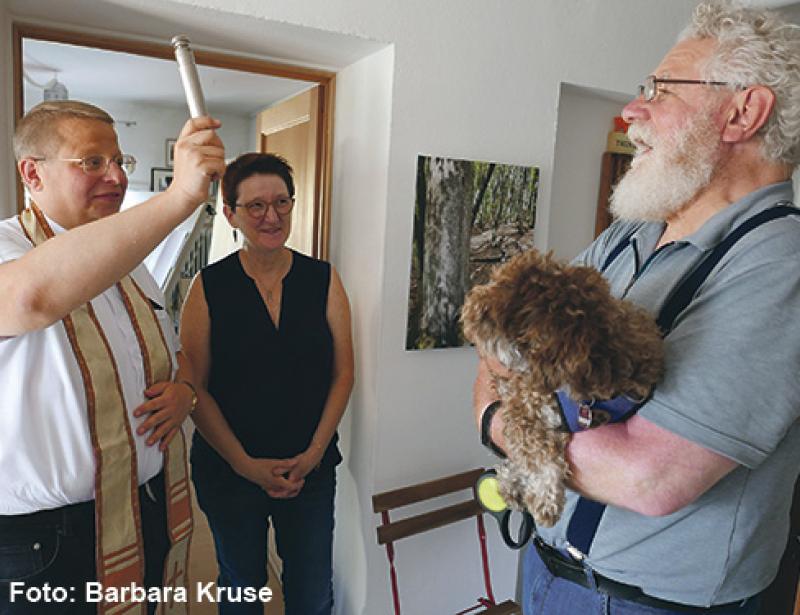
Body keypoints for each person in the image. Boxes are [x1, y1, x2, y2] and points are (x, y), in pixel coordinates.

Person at [473, 1, 800, 614]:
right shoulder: (628, 235)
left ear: (743, 112)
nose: (632, 109)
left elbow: (645, 478)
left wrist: (501, 424)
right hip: (545, 573)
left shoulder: (782, 263)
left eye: (661, 89)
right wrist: (509, 407)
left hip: (649, 606)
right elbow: (500, 345)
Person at [0, 100, 225, 615]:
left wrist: (185, 393)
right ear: (32, 172)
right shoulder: (8, 246)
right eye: (92, 162)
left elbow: (174, 354)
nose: (115, 177)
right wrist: (180, 197)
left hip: (141, 504)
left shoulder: (130, 265)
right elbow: (31, 298)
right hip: (48, 538)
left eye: (119, 162)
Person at [180, 152, 354, 615]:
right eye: (255, 206)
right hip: (229, 470)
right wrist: (244, 464)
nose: (271, 216)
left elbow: (344, 373)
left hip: (310, 469)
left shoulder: (324, 279)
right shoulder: (208, 286)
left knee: (313, 591)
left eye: (282, 202)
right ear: (232, 213)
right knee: (242, 585)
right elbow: (194, 387)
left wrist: (314, 454)